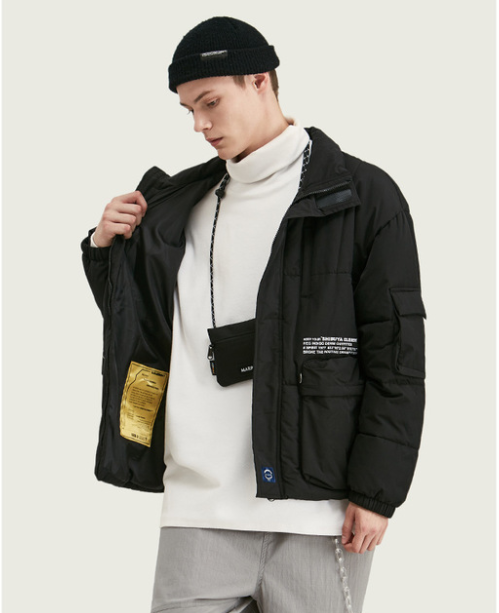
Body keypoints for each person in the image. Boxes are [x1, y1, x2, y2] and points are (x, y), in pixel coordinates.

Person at [82, 16, 426, 613]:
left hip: (319, 514)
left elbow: (396, 357)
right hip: (197, 509)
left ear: (260, 80)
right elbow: (143, 330)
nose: (200, 124)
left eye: (210, 102)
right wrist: (104, 250)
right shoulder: (175, 206)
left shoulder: (364, 198)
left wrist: (377, 491)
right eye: (189, 109)